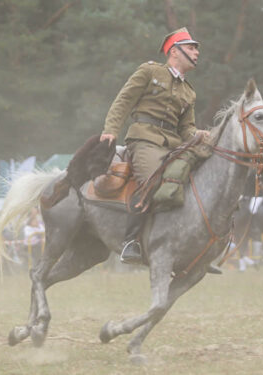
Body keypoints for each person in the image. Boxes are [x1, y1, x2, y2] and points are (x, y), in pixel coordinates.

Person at [98, 27, 209, 266]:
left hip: (173, 144)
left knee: (198, 178)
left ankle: (193, 245)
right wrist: (110, 129)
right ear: (175, 51)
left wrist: (202, 136)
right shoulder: (150, 71)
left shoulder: (189, 92)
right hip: (144, 138)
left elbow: (186, 128)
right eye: (191, 48)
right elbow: (124, 100)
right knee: (152, 180)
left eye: (197, 49)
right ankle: (131, 241)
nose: (197, 53)